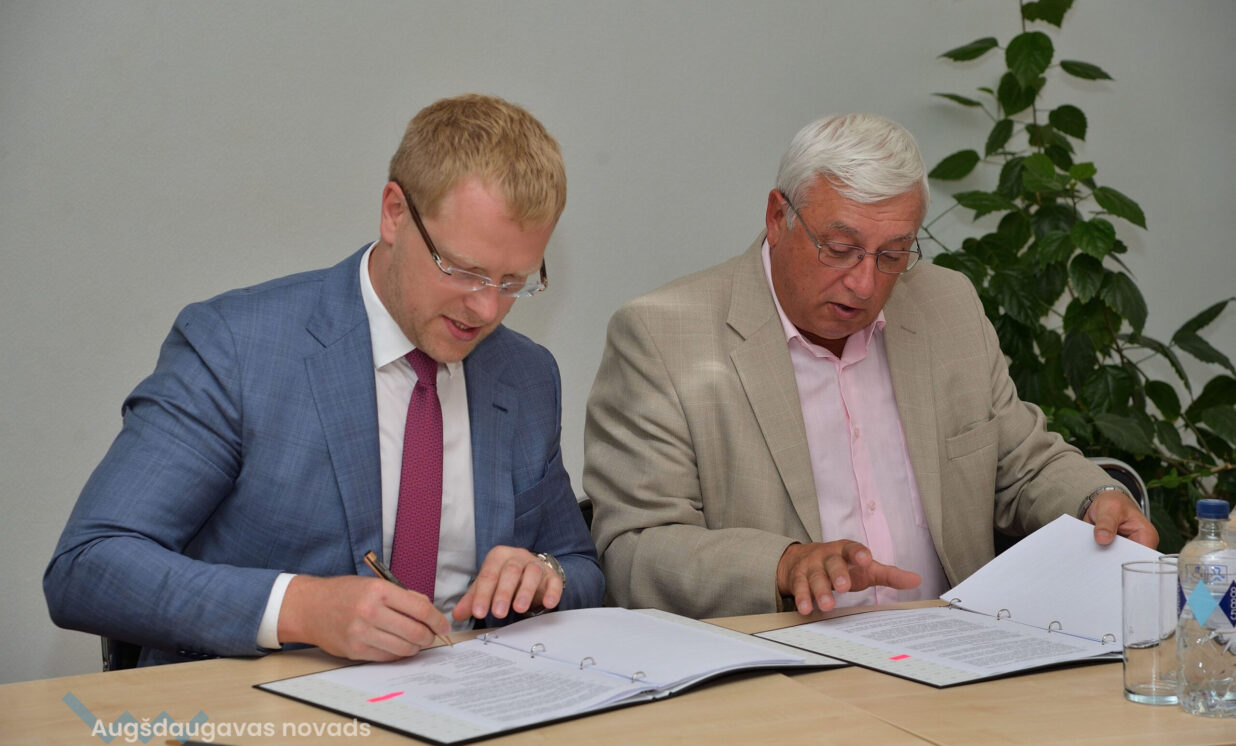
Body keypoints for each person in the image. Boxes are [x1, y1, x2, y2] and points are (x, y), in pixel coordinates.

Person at [45, 93, 604, 667]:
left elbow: (580, 566)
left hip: (469, 699)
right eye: (463, 271)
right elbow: (87, 566)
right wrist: (301, 608)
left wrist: (543, 575)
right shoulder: (239, 348)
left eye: (513, 282)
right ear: (395, 213)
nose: (486, 309)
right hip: (258, 702)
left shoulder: (525, 375)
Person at [583, 113, 1156, 619]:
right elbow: (635, 551)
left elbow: (1022, 463)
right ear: (779, 216)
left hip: (955, 653)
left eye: (893, 254)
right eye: (840, 249)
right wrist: (782, 565)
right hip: (783, 669)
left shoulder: (946, 305)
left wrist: (1094, 499)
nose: (864, 283)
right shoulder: (662, 337)